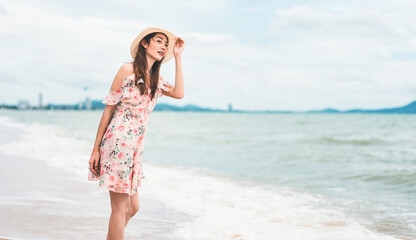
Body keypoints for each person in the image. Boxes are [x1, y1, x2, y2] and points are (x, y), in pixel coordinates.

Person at [87, 27, 185, 240]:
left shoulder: (155, 79)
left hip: (135, 148)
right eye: (159, 41)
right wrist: (95, 150)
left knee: (133, 207)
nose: (163, 47)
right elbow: (109, 109)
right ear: (144, 43)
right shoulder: (127, 70)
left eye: (166, 45)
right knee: (120, 208)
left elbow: (179, 93)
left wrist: (177, 57)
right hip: (118, 143)